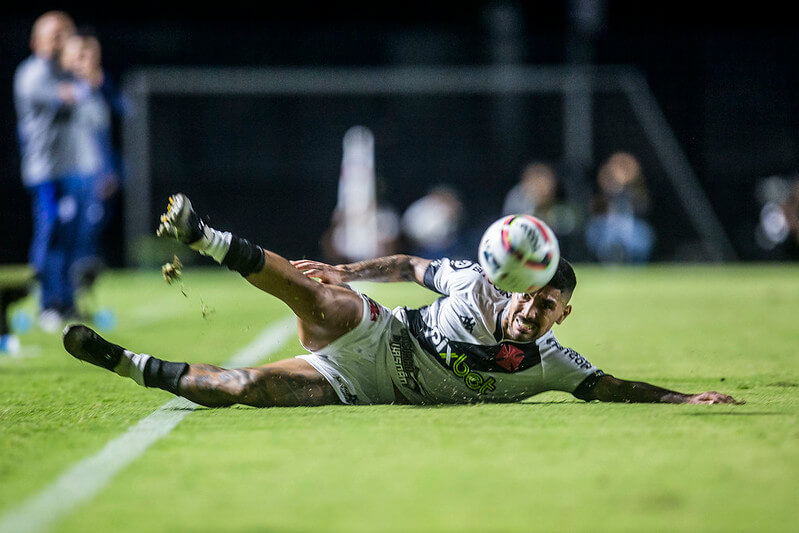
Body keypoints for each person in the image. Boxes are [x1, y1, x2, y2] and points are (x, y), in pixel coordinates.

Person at [62, 193, 741, 408]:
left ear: (563, 314)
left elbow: (612, 387)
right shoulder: (474, 283)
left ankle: (123, 362)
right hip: (376, 335)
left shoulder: (552, 364)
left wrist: (684, 400)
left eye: (546, 308)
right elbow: (412, 265)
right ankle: (204, 235)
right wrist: (346, 269)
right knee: (321, 298)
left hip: (357, 386)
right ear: (515, 285)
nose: (531, 311)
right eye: (529, 297)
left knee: (244, 388)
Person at [13, 11, 97, 330]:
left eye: (66, 34)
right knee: (51, 237)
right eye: (55, 35)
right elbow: (69, 99)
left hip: (72, 168)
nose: (61, 41)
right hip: (46, 171)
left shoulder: (65, 72)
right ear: (37, 41)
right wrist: (86, 77)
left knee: (73, 239)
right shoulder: (33, 73)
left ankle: (66, 302)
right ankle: (47, 303)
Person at [59, 30, 129, 312]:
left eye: (90, 55)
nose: (86, 61)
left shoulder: (99, 88)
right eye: (81, 55)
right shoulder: (63, 88)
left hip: (95, 175)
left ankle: (76, 300)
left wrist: (110, 171)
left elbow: (123, 113)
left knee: (88, 240)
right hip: (71, 175)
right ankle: (59, 300)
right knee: (71, 239)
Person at [585, 151, 655, 264]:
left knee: (643, 232)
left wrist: (625, 187)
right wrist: (612, 187)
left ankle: (628, 257)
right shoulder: (602, 192)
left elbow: (643, 206)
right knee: (601, 230)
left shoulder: (637, 191)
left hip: (631, 230)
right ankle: (613, 255)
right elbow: (595, 211)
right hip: (607, 230)